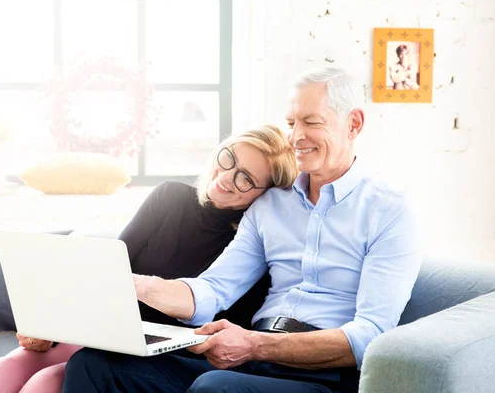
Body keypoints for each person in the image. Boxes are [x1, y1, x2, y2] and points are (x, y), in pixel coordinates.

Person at [62, 66, 421, 393]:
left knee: (215, 388)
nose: (296, 136)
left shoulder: (388, 211)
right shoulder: (271, 206)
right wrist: (136, 285)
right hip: (255, 362)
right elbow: (213, 290)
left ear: (354, 124)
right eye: (292, 121)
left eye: (311, 122)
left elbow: (371, 334)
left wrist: (253, 343)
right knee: (96, 366)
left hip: (321, 377)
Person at [0, 124, 298, 393]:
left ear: (265, 194)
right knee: (8, 370)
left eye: (246, 178)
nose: (227, 176)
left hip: (163, 355)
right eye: (228, 159)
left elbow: (224, 331)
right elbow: (108, 271)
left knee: (43, 385)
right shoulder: (169, 197)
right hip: (109, 332)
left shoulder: (254, 246)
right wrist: (49, 328)